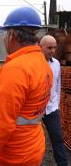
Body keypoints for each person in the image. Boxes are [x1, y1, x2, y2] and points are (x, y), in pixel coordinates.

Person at [0, 7, 53, 166]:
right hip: (32, 146)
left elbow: (0, 127)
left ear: (12, 35)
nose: (3, 39)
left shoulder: (16, 69)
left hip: (14, 154)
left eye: (5, 34)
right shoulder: (42, 63)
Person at [40, 35, 69, 166]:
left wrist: (55, 104)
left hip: (51, 109)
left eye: (54, 47)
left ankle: (62, 164)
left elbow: (57, 86)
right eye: (49, 47)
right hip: (34, 110)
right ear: (40, 47)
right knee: (32, 141)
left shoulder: (56, 63)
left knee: (57, 138)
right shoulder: (34, 64)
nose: (52, 50)